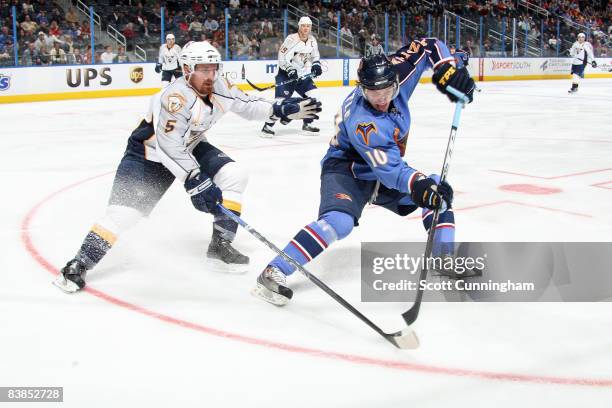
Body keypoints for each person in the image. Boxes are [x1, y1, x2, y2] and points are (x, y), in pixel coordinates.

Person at [53, 41, 321, 293]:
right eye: (203, 69)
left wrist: (282, 109)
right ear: (186, 70)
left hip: (190, 146)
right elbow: (169, 146)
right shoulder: (174, 97)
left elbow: (248, 105)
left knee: (235, 175)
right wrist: (195, 180)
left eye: (213, 68)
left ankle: (221, 244)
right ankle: (79, 264)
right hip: (149, 155)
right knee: (123, 214)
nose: (210, 75)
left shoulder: (219, 86)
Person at [252, 39, 475, 306]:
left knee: (438, 192)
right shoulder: (364, 121)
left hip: (380, 167)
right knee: (340, 222)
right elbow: (391, 172)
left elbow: (427, 46)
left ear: (395, 80)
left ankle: (443, 258)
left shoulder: (398, 75)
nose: (381, 99)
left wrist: (448, 67)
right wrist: (418, 184)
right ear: (362, 88)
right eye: (372, 92)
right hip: (347, 168)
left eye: (386, 90)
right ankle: (276, 268)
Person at [261, 16, 323, 137]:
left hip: (302, 76)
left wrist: (316, 64)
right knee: (280, 102)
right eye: (303, 26)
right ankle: (267, 126)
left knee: (314, 96)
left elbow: (315, 55)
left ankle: (307, 124)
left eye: (308, 26)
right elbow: (281, 57)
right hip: (286, 75)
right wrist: (289, 69)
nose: (305, 28)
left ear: (310, 28)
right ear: (299, 26)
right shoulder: (291, 39)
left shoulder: (312, 40)